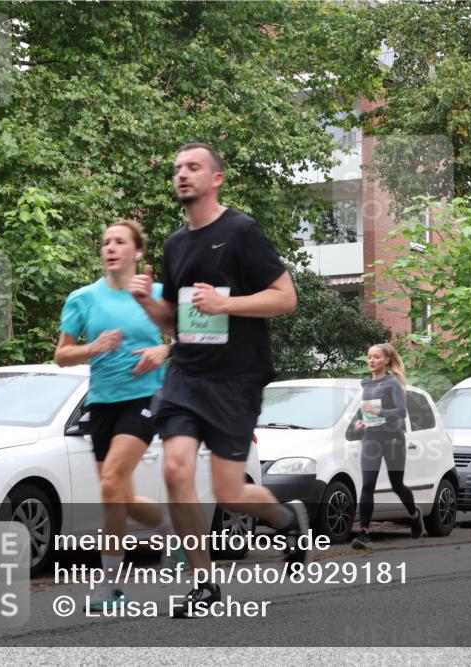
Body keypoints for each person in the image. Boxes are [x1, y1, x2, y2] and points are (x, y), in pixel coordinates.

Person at [130, 142, 306, 618]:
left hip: (236, 378)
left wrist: (227, 304)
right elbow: (177, 321)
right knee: (175, 470)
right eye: (178, 169)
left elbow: (285, 298)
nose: (183, 175)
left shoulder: (242, 231)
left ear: (216, 178)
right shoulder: (174, 244)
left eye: (193, 167)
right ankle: (204, 583)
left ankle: (287, 518)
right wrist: (148, 302)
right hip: (187, 372)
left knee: (230, 492)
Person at [55, 219, 172, 610]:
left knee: (110, 483)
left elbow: (195, 337)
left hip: (146, 395)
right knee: (117, 494)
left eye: (119, 241)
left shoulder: (156, 293)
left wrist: (164, 351)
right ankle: (174, 532)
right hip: (102, 402)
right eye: (105, 242)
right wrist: (94, 348)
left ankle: (110, 588)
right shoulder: (83, 298)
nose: (110, 247)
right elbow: (61, 355)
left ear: (137, 252)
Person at [351, 343, 423, 549]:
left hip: (392, 439)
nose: (371, 360)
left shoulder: (393, 383)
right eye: (369, 357)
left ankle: (414, 514)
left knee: (396, 484)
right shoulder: (366, 384)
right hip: (372, 438)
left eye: (376, 357)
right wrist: (361, 422)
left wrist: (380, 414)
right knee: (368, 484)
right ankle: (364, 533)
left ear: (387, 360)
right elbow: (366, 412)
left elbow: (401, 412)